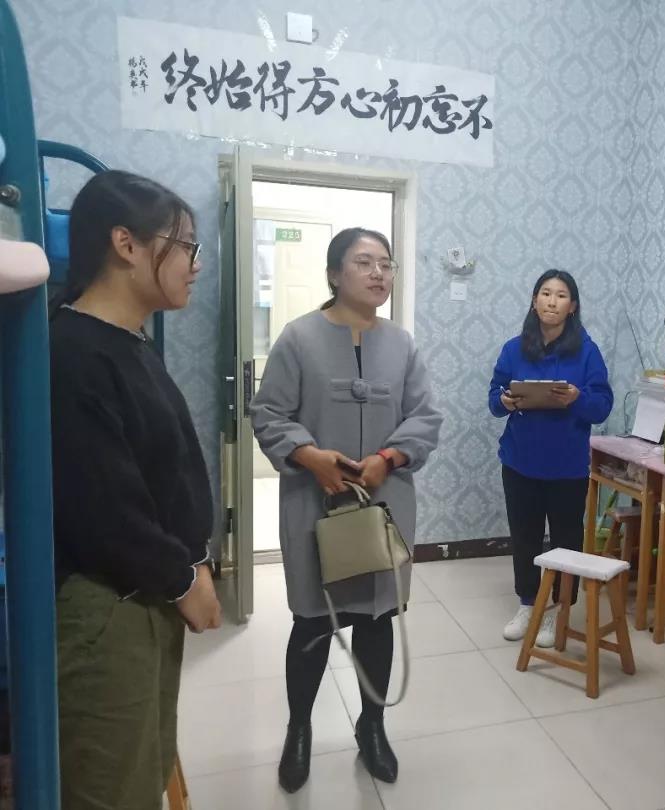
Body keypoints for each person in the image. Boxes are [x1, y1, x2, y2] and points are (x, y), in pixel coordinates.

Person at [49, 170, 221, 810]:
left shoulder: (131, 343)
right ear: (126, 244)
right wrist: (183, 579)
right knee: (112, 789)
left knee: (143, 770)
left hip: (146, 590)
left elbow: (160, 475)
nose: (195, 264)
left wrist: (192, 564)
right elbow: (103, 510)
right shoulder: (73, 353)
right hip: (108, 604)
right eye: (186, 245)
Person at [251, 227, 441, 791]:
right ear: (335, 274)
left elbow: (425, 416)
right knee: (312, 621)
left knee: (377, 619)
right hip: (316, 504)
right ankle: (300, 729)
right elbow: (268, 414)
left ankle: (372, 726)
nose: (379, 272)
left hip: (383, 504)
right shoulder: (298, 338)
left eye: (386, 263)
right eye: (364, 262)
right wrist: (310, 457)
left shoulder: (402, 345)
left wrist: (388, 457)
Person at [488, 269, 613, 646]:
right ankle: (528, 604)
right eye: (545, 293)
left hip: (567, 466)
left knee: (566, 540)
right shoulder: (514, 349)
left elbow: (601, 406)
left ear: (572, 306)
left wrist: (576, 398)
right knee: (524, 536)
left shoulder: (587, 352)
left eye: (561, 295)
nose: (552, 301)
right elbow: (494, 399)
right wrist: (505, 400)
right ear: (534, 300)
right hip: (520, 461)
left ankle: (558, 609)